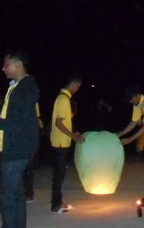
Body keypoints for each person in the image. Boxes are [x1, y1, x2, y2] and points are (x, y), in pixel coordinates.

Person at [0, 50, 40, 228]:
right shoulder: (18, 87)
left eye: (6, 65)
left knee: (8, 196)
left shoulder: (24, 88)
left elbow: (15, 121)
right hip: (17, 147)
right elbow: (7, 114)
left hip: (16, 148)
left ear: (18, 64)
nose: (3, 68)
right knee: (16, 193)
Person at [49, 74, 84, 214]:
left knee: (60, 173)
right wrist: (73, 136)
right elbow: (59, 123)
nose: (78, 89)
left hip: (60, 141)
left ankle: (58, 202)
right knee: (59, 174)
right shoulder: (63, 99)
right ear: (73, 84)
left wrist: (73, 134)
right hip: (60, 142)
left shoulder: (61, 98)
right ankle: (56, 205)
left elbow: (62, 122)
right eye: (78, 86)